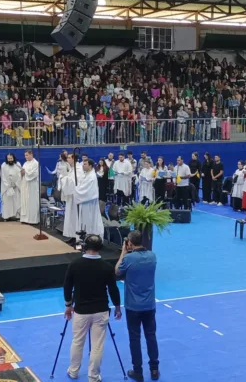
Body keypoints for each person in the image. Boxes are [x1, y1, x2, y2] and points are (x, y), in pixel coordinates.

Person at [63, 234, 122, 382]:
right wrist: (117, 307)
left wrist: (68, 306)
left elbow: (67, 287)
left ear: (85, 246)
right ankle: (93, 376)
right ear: (100, 248)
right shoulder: (107, 267)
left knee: (77, 341)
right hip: (101, 310)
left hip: (81, 311)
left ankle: (74, 371)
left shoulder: (75, 264)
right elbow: (113, 289)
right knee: (97, 345)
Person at [115, 231, 159, 381]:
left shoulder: (128, 259)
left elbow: (117, 271)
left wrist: (123, 252)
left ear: (130, 243)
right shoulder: (153, 256)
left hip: (133, 307)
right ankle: (154, 369)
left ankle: (138, 372)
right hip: (149, 305)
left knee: (135, 339)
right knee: (151, 336)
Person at [74, 159, 104, 237]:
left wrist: (76, 190)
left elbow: (86, 190)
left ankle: (90, 237)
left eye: (85, 164)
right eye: (83, 164)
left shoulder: (91, 176)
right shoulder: (87, 174)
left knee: (89, 221)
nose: (83, 166)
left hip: (89, 202)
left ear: (90, 166)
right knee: (84, 221)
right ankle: (84, 236)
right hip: (85, 202)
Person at [20, 150, 40, 225]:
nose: (26, 157)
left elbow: (34, 173)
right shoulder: (25, 163)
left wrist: (26, 173)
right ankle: (25, 218)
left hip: (32, 185)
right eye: (25, 155)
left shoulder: (36, 163)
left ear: (31, 154)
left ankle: (32, 219)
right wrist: (21, 173)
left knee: (32, 201)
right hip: (25, 184)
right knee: (25, 201)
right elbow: (23, 172)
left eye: (27, 155)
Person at [0, 153, 21, 221]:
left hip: (16, 186)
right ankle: (7, 216)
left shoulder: (18, 164)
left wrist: (15, 184)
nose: (10, 160)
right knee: (7, 202)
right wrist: (8, 186)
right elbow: (3, 176)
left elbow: (20, 175)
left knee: (16, 201)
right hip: (7, 188)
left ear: (13, 158)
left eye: (11, 158)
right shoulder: (3, 165)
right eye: (8, 159)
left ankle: (17, 216)